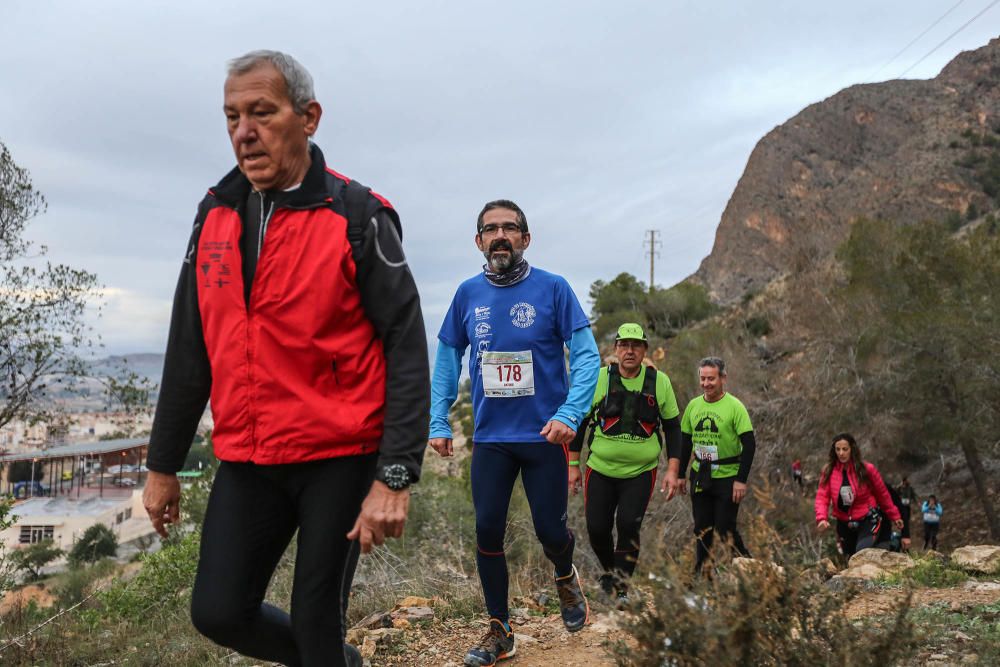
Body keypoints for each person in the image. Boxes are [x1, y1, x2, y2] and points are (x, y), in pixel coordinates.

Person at [142, 50, 429, 667]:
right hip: (250, 456)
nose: (243, 133)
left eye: (262, 113)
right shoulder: (213, 213)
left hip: (341, 456)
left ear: (308, 118)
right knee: (218, 611)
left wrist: (396, 474)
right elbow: (190, 344)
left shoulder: (358, 216)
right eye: (231, 117)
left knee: (317, 619)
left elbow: (406, 346)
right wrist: (163, 464)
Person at [429, 199, 600, 666]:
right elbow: (447, 357)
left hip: (546, 436)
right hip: (491, 438)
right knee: (487, 529)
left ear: (526, 238)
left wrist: (570, 413)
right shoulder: (466, 295)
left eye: (510, 228)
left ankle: (565, 576)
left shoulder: (554, 289)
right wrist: (438, 417)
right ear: (479, 241)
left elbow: (586, 356)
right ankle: (500, 629)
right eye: (491, 229)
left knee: (549, 529)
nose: (500, 235)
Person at [568, 323, 682, 608]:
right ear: (616, 349)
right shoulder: (600, 379)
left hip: (640, 472)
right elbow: (580, 423)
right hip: (600, 468)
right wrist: (572, 466)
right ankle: (610, 573)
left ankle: (622, 588)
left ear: (644, 350)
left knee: (629, 525)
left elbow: (673, 428)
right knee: (597, 528)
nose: (630, 351)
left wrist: (672, 469)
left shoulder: (659, 382)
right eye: (624, 345)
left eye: (636, 345)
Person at [677, 357, 757, 575]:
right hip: (700, 474)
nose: (706, 384)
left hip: (728, 476)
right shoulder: (693, 406)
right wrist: (680, 475)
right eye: (703, 379)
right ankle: (702, 573)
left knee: (724, 528)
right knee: (702, 528)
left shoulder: (735, 407)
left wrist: (741, 480)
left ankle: (748, 567)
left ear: (723, 378)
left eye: (711, 379)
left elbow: (749, 444)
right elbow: (684, 442)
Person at [814, 433, 902, 557]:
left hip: (867, 519)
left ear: (852, 450)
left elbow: (882, 494)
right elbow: (822, 497)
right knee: (850, 558)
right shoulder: (828, 471)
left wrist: (895, 516)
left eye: (845, 449)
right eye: (838, 449)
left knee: (861, 553)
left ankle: (892, 546)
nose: (841, 453)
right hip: (844, 524)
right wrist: (822, 518)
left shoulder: (867, 470)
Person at [897, 476, 918, 551]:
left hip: (907, 506)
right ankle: (903, 541)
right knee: (904, 523)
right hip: (902, 507)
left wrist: (916, 502)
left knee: (906, 522)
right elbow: (896, 494)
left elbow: (913, 495)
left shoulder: (910, 488)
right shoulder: (900, 488)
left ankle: (905, 542)